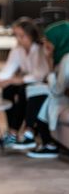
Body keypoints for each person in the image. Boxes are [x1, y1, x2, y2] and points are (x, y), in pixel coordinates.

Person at [0, 18, 50, 149]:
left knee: (22, 89)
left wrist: (13, 79)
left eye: (22, 36)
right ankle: (12, 131)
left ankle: (14, 131)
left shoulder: (40, 49)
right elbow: (6, 72)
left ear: (31, 35)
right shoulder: (18, 50)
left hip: (40, 84)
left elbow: (39, 75)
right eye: (16, 35)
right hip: (27, 82)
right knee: (8, 89)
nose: (18, 39)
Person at [27, 20, 69, 159]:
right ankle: (33, 135)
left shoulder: (66, 59)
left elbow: (57, 90)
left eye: (48, 40)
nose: (45, 45)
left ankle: (43, 141)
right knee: (36, 91)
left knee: (41, 98)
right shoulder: (63, 55)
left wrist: (50, 61)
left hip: (64, 97)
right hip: (64, 95)